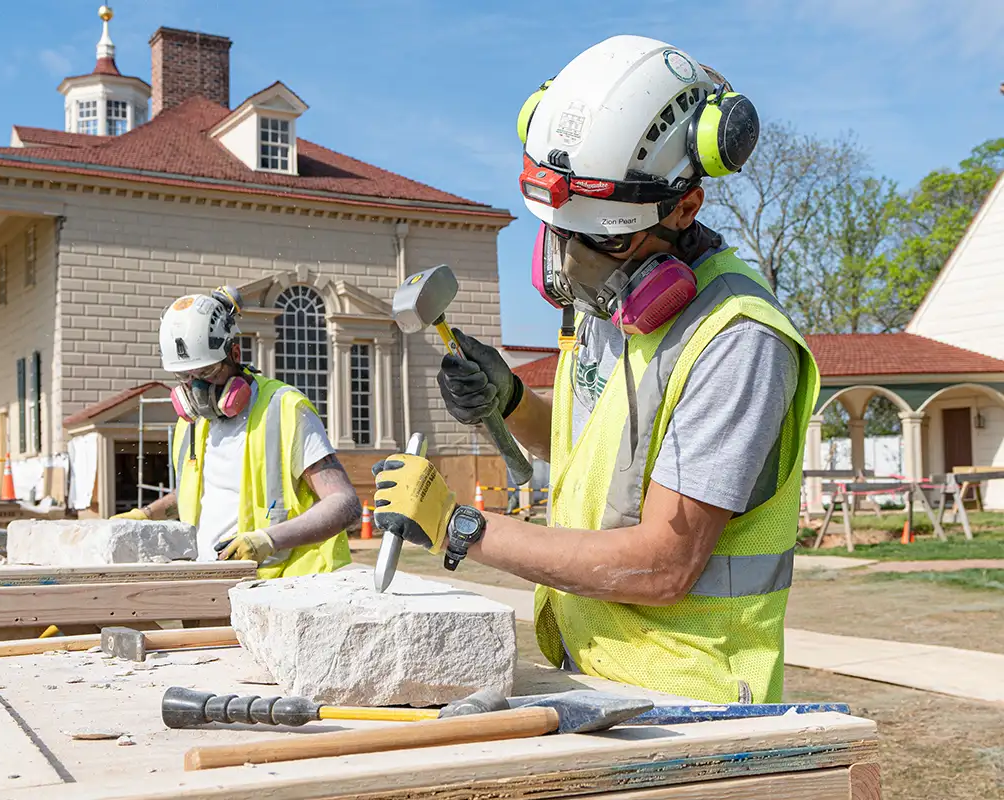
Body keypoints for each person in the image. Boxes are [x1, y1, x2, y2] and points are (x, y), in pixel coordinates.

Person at [371, 36, 820, 704]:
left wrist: (461, 526)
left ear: (685, 208)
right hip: (596, 673)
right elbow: (609, 461)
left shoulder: (739, 341)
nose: (575, 261)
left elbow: (664, 564)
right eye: (559, 232)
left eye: (603, 239)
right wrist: (513, 398)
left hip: (690, 696)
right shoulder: (610, 307)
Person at [115, 287, 361, 579]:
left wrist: (269, 540)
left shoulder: (283, 409)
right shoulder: (191, 425)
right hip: (206, 580)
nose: (196, 389)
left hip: (279, 587)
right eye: (185, 376)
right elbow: (199, 493)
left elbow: (345, 504)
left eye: (206, 373)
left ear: (234, 353)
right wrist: (146, 515)